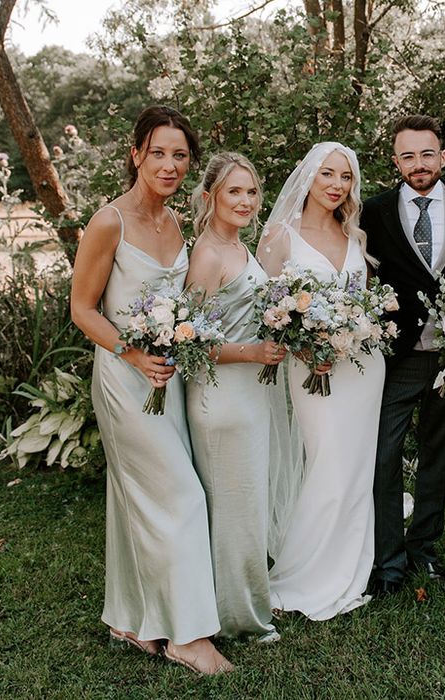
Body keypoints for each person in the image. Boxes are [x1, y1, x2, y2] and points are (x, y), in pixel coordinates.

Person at [70, 105, 232, 674]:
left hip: (168, 378)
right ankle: (188, 637)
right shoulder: (108, 221)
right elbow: (82, 310)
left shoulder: (176, 223)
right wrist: (134, 354)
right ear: (136, 153)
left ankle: (128, 619)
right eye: (158, 152)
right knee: (181, 496)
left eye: (180, 155)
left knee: (136, 497)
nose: (169, 165)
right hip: (125, 379)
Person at [360, 115, 445, 596]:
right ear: (395, 161)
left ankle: (424, 551)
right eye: (408, 156)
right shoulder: (373, 212)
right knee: (384, 456)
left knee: (438, 454)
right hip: (398, 356)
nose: (419, 164)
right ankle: (388, 562)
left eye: (427, 153)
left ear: (443, 156)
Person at [257, 141, 384, 619]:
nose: (336, 185)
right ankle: (307, 572)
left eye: (345, 177)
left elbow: (365, 306)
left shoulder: (356, 236)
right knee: (327, 461)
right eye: (327, 174)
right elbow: (264, 310)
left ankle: (351, 564)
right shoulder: (279, 235)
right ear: (308, 177)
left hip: (362, 368)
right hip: (309, 369)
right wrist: (306, 346)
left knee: (355, 466)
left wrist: (355, 333)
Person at [185, 152, 296, 641]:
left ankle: (243, 601)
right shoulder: (207, 254)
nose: (246, 201)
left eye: (251, 191)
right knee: (235, 510)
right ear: (210, 196)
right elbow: (190, 340)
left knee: (247, 505)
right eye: (234, 191)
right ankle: (239, 619)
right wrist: (253, 351)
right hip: (221, 398)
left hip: (249, 395)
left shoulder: (237, 246)